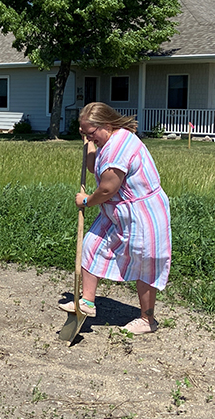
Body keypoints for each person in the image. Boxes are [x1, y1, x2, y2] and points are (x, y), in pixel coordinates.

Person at [59, 102, 172, 334]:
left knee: (145, 262)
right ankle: (87, 302)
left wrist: (87, 200)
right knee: (92, 245)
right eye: (84, 132)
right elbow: (93, 167)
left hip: (143, 214)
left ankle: (147, 320)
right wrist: (89, 141)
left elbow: (108, 188)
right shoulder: (107, 138)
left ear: (106, 125)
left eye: (91, 133)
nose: (88, 137)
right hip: (117, 211)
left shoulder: (119, 148)